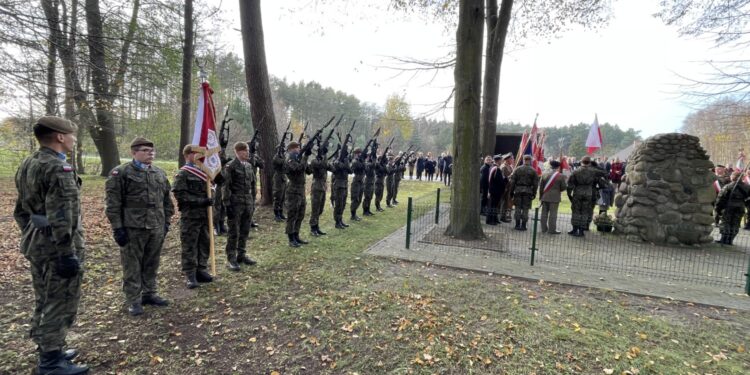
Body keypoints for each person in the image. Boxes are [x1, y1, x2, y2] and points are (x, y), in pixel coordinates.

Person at [14, 116, 88, 374]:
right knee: (60, 301)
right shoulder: (58, 168)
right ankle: (50, 363)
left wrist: (34, 233)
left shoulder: (29, 162)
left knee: (44, 298)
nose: (74, 140)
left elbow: (21, 210)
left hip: (38, 244)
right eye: (72, 135)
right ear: (59, 136)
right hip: (59, 248)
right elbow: (62, 216)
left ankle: (50, 347)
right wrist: (66, 254)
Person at [106, 137, 174, 316]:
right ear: (133, 152)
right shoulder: (120, 173)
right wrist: (118, 228)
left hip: (156, 226)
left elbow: (167, 201)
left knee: (152, 262)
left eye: (152, 151)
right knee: (132, 265)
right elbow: (113, 204)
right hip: (132, 227)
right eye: (145, 150)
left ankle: (149, 293)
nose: (150, 153)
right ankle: (133, 299)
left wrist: (166, 222)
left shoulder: (159, 173)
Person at [172, 145, 215, 289]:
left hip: (205, 215)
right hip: (191, 216)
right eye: (196, 153)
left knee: (204, 242)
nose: (199, 156)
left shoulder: (204, 172)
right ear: (188, 155)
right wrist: (202, 201)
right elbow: (181, 196)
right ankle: (190, 273)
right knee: (190, 244)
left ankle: (201, 269)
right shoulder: (183, 174)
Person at [222, 142, 257, 271]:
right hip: (235, 203)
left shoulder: (248, 166)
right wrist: (227, 204)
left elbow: (253, 184)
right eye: (245, 150)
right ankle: (231, 258)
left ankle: (241, 255)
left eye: (247, 150)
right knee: (233, 232)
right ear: (237, 152)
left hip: (247, 202)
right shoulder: (230, 166)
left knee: (245, 230)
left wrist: (253, 201)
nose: (247, 153)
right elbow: (226, 187)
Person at [285, 141, 310, 247]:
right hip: (293, 191)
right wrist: (305, 158)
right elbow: (297, 169)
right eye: (297, 148)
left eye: (299, 148)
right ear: (291, 149)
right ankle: (291, 238)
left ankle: (296, 235)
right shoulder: (290, 160)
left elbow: (308, 170)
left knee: (300, 214)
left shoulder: (298, 159)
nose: (299, 149)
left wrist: (306, 156)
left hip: (301, 190)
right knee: (292, 215)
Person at [715, 171, 750, 245]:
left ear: (733, 177)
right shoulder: (747, 187)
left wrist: (718, 209)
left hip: (729, 207)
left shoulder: (728, 186)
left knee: (726, 223)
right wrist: (746, 205)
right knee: (735, 223)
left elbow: (720, 198)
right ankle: (730, 240)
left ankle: (724, 239)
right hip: (740, 207)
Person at [566, 155, 598, 237]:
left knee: (576, 211)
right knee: (585, 212)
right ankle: (581, 231)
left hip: (578, 192)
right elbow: (599, 182)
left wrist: (569, 194)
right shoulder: (594, 172)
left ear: (581, 162)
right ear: (589, 162)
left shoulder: (576, 171)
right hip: (588, 193)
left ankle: (574, 229)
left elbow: (570, 184)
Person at [308, 142, 335, 236]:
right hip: (316, 187)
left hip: (323, 188)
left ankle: (317, 226)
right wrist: (325, 156)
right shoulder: (315, 161)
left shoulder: (324, 161)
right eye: (323, 153)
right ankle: (313, 228)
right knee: (315, 209)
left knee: (320, 209)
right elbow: (322, 165)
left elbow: (332, 169)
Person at [509, 154, 539, 230]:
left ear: (523, 160)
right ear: (530, 160)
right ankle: (523, 225)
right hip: (528, 191)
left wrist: (511, 192)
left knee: (517, 208)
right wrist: (534, 193)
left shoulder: (517, 169)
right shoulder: (533, 171)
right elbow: (535, 184)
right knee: (526, 208)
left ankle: (517, 224)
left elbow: (512, 182)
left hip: (518, 190)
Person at [539, 160, 567, 234]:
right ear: (558, 167)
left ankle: (543, 229)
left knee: (544, 214)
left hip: (545, 196)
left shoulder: (544, 174)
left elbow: (541, 187)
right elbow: (564, 187)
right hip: (555, 197)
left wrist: (541, 197)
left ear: (551, 166)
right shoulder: (560, 176)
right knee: (553, 214)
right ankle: (552, 230)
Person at [332, 148, 352, 228]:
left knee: (343, 204)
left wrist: (346, 161)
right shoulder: (336, 162)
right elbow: (342, 166)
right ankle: (337, 222)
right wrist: (346, 161)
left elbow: (350, 171)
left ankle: (340, 220)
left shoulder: (344, 162)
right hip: (339, 185)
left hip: (344, 185)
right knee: (338, 204)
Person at [486, 155, 507, 225]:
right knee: (492, 205)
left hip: (494, 190)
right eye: (501, 160)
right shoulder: (496, 169)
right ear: (498, 160)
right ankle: (490, 220)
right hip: (495, 190)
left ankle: (494, 218)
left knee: (495, 205)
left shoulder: (493, 167)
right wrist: (506, 180)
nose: (502, 161)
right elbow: (499, 181)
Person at [272, 144, 288, 222]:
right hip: (278, 178)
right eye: (282, 149)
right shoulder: (276, 158)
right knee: (278, 196)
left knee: (283, 197)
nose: (283, 151)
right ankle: (276, 214)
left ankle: (281, 212)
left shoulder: (282, 157)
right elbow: (281, 163)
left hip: (283, 178)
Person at [350, 148, 365, 221]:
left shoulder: (361, 161)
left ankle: (354, 214)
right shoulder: (355, 161)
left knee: (359, 199)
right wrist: (361, 161)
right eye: (359, 153)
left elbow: (365, 168)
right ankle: (353, 215)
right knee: (355, 199)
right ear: (356, 154)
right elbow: (359, 166)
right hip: (356, 182)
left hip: (361, 182)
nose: (360, 154)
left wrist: (362, 160)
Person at [499, 153, 514, 223]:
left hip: (509, 187)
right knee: (503, 202)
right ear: (507, 159)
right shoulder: (503, 167)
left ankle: (504, 216)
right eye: (511, 158)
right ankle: (501, 216)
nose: (512, 160)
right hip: (504, 187)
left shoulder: (510, 167)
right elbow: (501, 178)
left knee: (507, 202)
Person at [362, 152, 377, 216]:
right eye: (369, 156)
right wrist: (373, 159)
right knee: (367, 197)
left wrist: (374, 157)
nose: (370, 157)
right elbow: (373, 165)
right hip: (367, 183)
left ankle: (368, 210)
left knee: (370, 197)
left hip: (371, 183)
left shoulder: (371, 163)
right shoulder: (367, 163)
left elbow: (374, 165)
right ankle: (365, 211)